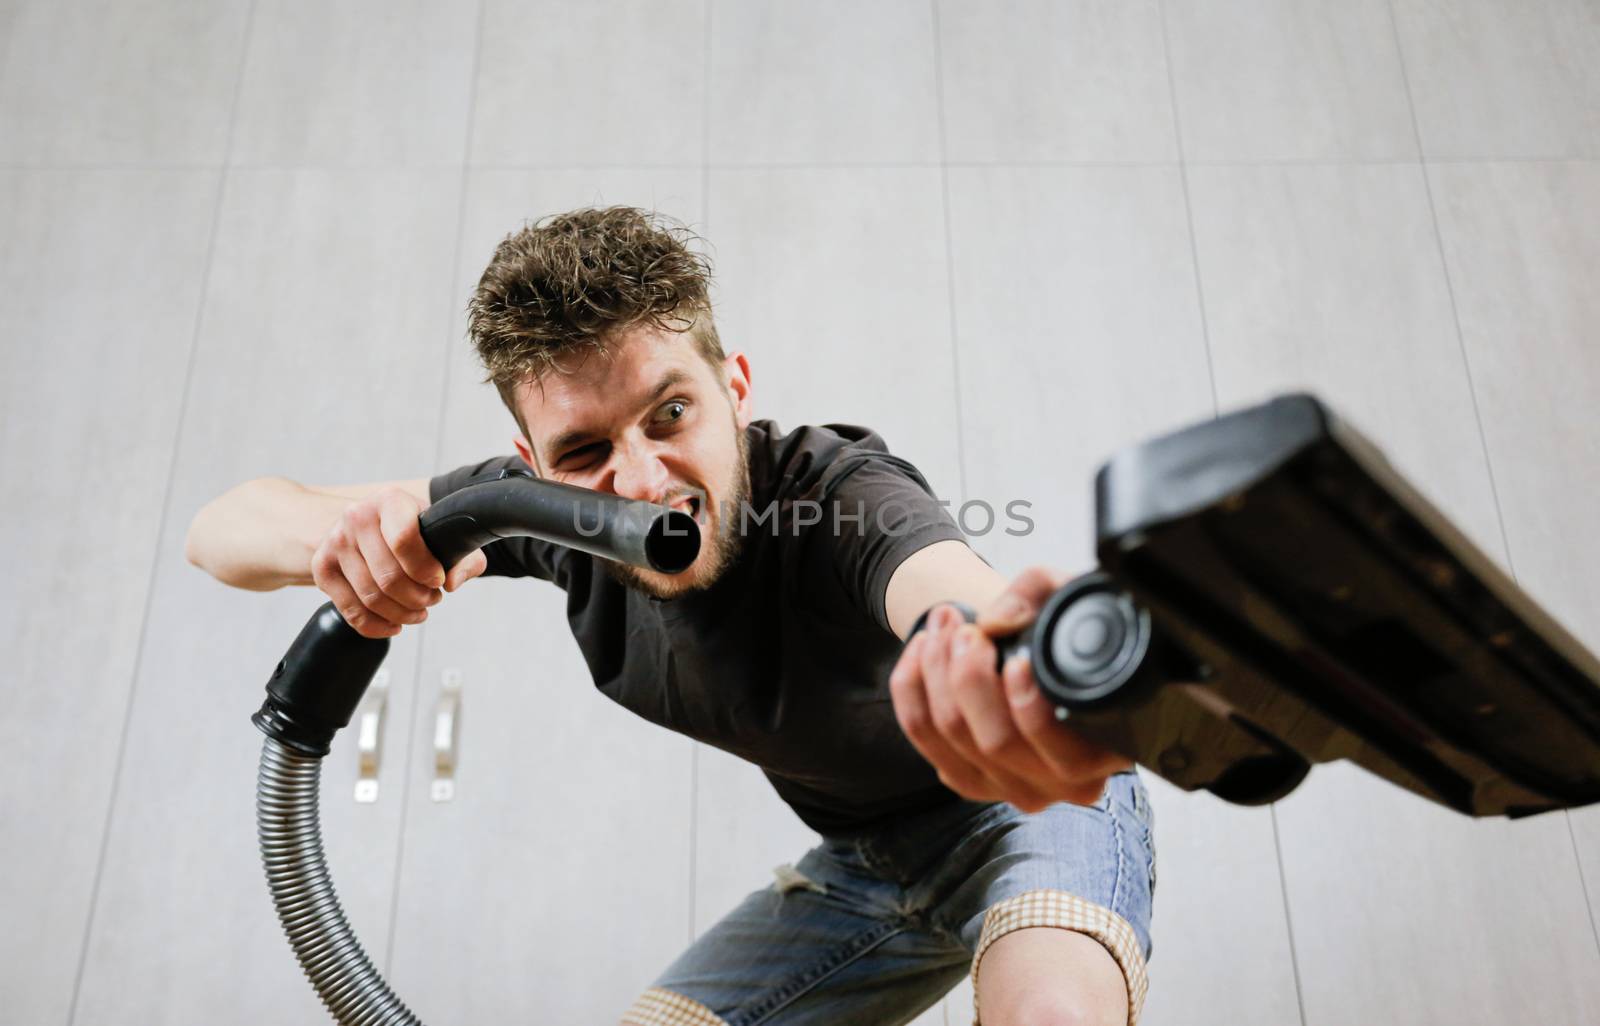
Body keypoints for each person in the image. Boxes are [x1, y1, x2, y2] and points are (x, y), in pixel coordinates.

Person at [186, 206, 1156, 1026]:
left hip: (1020, 811)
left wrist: (1023, 663)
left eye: (668, 414)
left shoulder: (841, 498)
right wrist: (352, 543)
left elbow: (955, 595)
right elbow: (223, 529)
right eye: (583, 452)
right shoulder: (546, 517)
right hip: (858, 869)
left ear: (733, 389)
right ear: (529, 467)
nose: (641, 482)